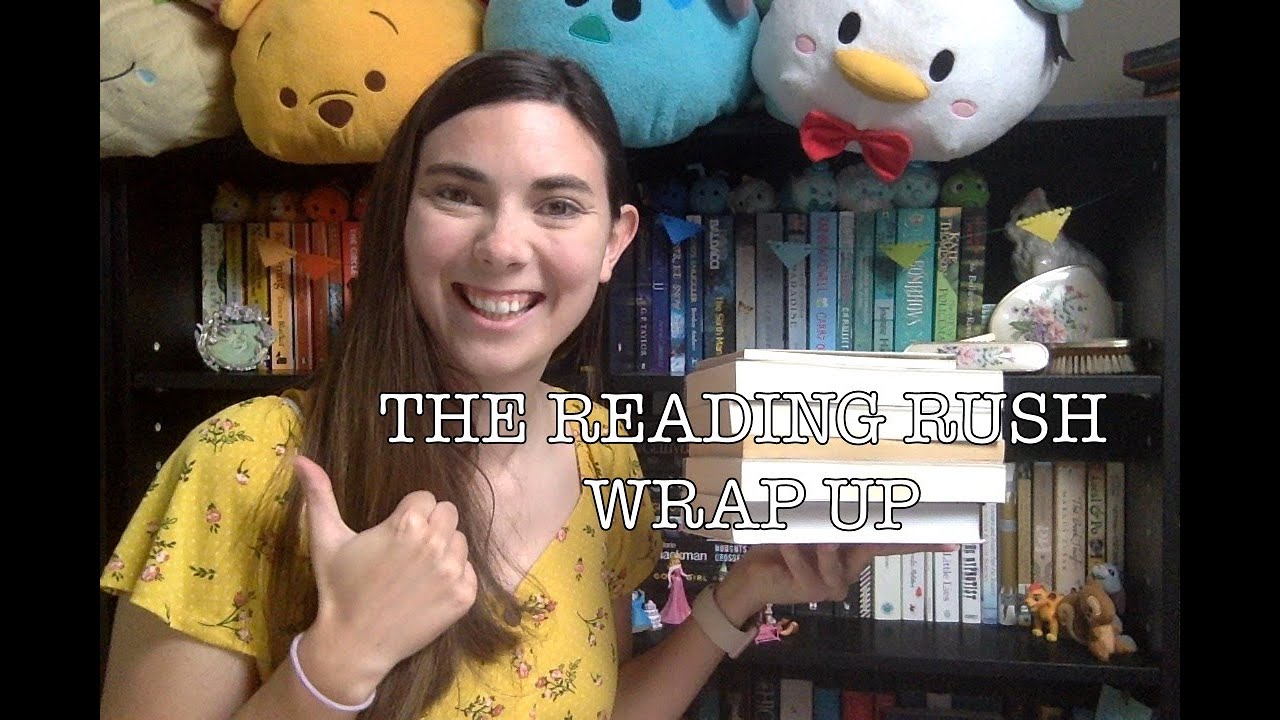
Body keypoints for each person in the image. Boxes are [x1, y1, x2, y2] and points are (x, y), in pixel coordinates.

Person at [100, 48, 949, 720]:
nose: (503, 247)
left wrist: (743, 592)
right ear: (399, 219)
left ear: (615, 242)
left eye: (558, 205)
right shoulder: (248, 463)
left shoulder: (599, 453)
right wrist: (335, 664)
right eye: (457, 193)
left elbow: (596, 704)